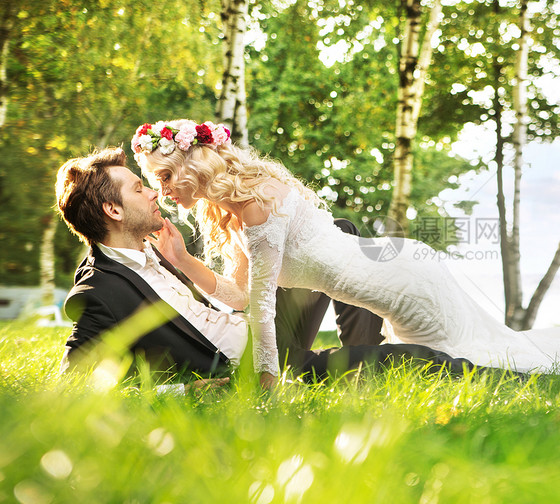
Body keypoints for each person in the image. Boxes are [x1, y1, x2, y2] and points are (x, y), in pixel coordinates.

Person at [132, 119, 560, 388]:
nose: (160, 191)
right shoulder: (234, 211)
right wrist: (185, 263)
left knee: (484, 361)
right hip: (393, 268)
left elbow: (259, 308)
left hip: (404, 280)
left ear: (192, 163)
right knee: (482, 354)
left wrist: (265, 382)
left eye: (161, 175)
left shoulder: (255, 203)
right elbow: (241, 292)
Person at [55, 147, 483, 389]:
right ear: (113, 209)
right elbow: (74, 388)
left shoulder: (157, 250)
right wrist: (187, 390)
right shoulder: (99, 292)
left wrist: (183, 261)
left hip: (258, 330)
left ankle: (362, 352)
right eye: (139, 187)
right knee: (417, 360)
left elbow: (238, 299)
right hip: (256, 363)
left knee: (339, 231)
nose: (154, 193)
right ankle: (376, 365)